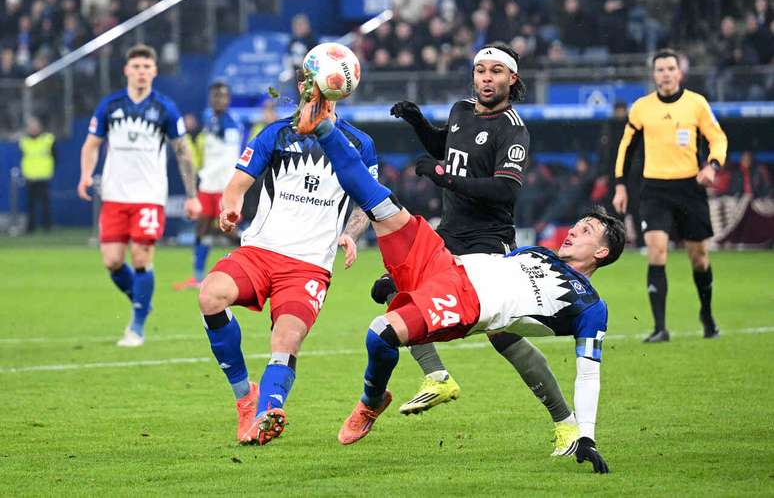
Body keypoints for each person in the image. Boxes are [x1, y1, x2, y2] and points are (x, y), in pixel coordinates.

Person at [293, 96, 622, 473]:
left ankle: (372, 401)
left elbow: (589, 372)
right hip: (447, 261)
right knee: (379, 201)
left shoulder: (590, 306)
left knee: (380, 333)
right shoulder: (537, 253)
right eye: (577, 225)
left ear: (601, 252)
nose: (573, 232)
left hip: (466, 301)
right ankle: (323, 128)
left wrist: (588, 435)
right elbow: (487, 266)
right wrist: (409, 276)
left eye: (586, 232)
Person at [376, 42, 579, 455]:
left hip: (490, 242)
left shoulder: (514, 128)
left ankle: (567, 424)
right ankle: (437, 377)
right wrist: (418, 123)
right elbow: (447, 149)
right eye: (480, 70)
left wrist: (444, 179)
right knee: (398, 295)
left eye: (496, 72)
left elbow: (505, 190)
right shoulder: (460, 111)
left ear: (512, 79)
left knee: (502, 336)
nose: (487, 78)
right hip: (450, 235)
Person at [196, 69, 373, 446]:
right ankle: (246, 398)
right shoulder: (275, 134)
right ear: (301, 87)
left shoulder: (359, 143)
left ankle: (268, 412)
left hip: (309, 264)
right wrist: (230, 209)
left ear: (339, 88)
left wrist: (351, 233)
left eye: (322, 81)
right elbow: (236, 186)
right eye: (308, 81)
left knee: (287, 338)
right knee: (210, 295)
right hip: (260, 251)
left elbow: (367, 203)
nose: (315, 89)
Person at [77, 44, 201, 347]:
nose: (141, 72)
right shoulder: (110, 105)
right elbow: (91, 144)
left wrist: (192, 194)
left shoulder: (165, 108)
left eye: (147, 67)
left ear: (155, 71)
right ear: (126, 71)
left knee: (142, 257)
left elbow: (183, 152)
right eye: (136, 67)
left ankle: (137, 327)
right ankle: (142, 300)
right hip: (115, 194)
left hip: (148, 195)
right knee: (112, 261)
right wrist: (85, 174)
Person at [613, 49, 728, 343]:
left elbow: (718, 138)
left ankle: (707, 314)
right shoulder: (642, 108)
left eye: (670, 68)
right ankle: (660, 327)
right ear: (654, 74)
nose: (665, 73)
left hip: (690, 188)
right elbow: (626, 148)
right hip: (654, 190)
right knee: (656, 251)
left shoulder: (696, 104)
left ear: (680, 72)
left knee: (699, 258)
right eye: (660, 69)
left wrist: (713, 166)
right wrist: (620, 185)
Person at [175, 81, 244, 289]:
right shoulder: (209, 120)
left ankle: (250, 268)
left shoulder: (231, 123)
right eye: (215, 96)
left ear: (228, 100)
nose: (218, 100)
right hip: (208, 185)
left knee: (230, 232)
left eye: (222, 96)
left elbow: (230, 154)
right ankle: (197, 278)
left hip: (224, 187)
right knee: (201, 230)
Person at [19, 116, 55, 233]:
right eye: (31, 127)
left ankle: (47, 227)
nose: (33, 129)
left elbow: (55, 156)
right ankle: (30, 227)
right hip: (30, 177)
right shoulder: (24, 141)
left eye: (35, 127)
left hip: (44, 176)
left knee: (45, 204)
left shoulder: (48, 139)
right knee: (30, 204)